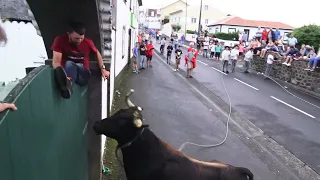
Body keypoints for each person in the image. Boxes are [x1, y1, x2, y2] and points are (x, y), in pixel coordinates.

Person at [52, 22, 110, 99]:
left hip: (83, 75)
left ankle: (68, 84)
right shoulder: (60, 40)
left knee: (73, 64)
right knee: (68, 65)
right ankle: (67, 85)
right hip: (68, 73)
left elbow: (97, 53)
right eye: (76, 38)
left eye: (81, 38)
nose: (79, 40)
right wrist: (59, 72)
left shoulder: (87, 42)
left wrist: (103, 69)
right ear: (69, 34)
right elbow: (56, 62)